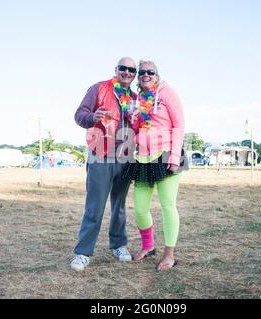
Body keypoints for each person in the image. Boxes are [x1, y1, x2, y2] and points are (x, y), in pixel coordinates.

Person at [70, 57, 138, 271]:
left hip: (125, 158)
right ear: (116, 70)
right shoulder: (99, 89)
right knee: (95, 206)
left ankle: (119, 245)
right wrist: (93, 116)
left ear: (134, 74)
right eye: (123, 68)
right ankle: (83, 252)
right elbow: (79, 115)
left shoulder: (136, 98)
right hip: (101, 155)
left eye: (131, 70)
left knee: (119, 207)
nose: (127, 72)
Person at [124, 60, 186, 271]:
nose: (145, 75)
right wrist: (132, 119)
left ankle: (169, 255)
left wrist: (175, 156)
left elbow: (179, 124)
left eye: (150, 72)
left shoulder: (168, 92)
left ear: (157, 75)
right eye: (142, 72)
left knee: (168, 205)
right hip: (143, 158)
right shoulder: (139, 98)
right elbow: (138, 127)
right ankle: (148, 246)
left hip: (166, 154)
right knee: (140, 208)